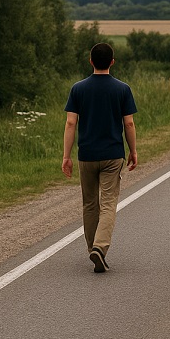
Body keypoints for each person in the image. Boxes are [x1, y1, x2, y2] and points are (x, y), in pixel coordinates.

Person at [62, 43, 138, 273]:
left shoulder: (78, 89)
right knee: (108, 203)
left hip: (86, 155)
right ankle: (100, 247)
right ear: (112, 62)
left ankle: (92, 248)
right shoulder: (122, 89)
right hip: (112, 155)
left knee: (90, 204)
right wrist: (133, 151)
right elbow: (129, 123)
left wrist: (66, 156)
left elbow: (71, 123)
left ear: (90, 61)